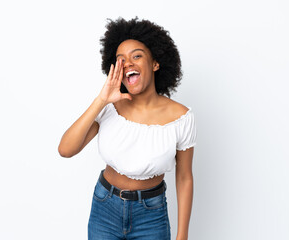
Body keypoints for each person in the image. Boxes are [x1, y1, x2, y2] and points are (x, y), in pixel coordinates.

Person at [58, 17, 197, 240]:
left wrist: (182, 236)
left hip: (151, 215)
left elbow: (184, 178)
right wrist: (101, 100)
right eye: (121, 59)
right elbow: (65, 149)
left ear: (155, 63)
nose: (128, 63)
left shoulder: (181, 118)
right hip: (105, 207)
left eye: (137, 56)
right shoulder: (109, 107)